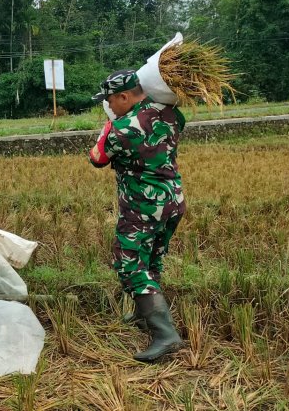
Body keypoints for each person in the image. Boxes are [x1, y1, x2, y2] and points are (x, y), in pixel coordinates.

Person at [88, 69, 186, 362]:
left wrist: (109, 124)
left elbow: (97, 158)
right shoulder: (169, 113)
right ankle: (145, 315)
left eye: (110, 101)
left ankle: (165, 335)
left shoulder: (123, 129)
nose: (108, 106)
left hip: (142, 206)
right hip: (173, 201)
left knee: (130, 265)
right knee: (152, 257)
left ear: (124, 96)